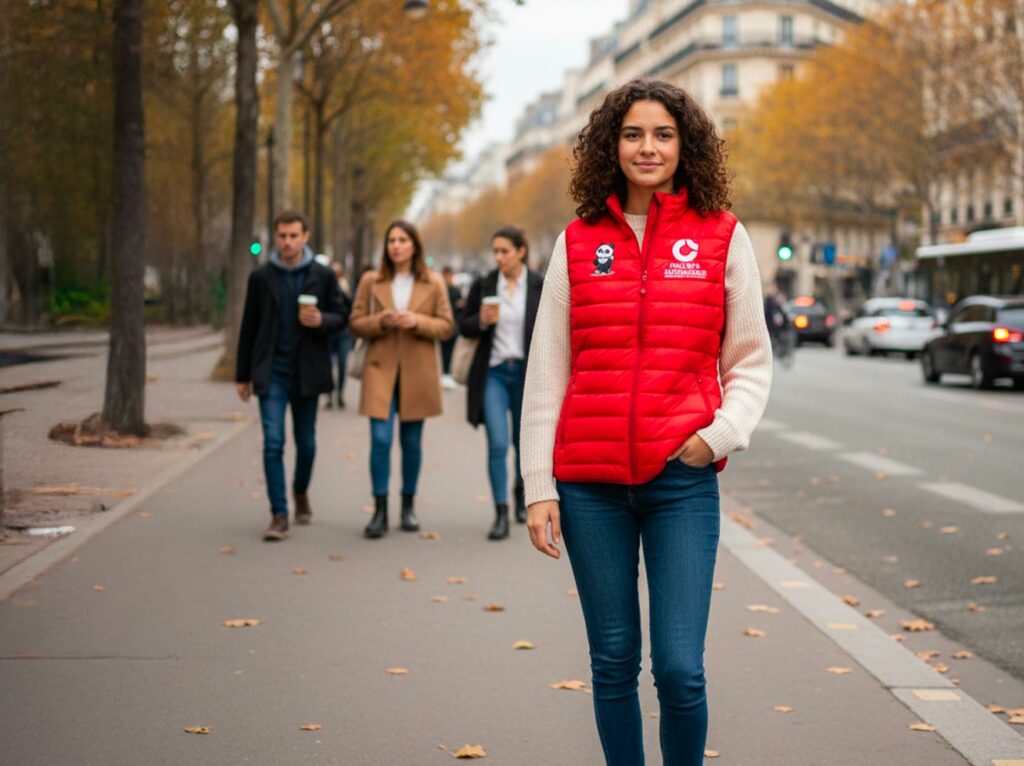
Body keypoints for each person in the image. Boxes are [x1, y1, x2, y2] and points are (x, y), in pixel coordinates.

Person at [521, 79, 772, 765]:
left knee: (680, 670)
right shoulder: (578, 242)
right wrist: (539, 487)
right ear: (611, 144)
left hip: (681, 483)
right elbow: (547, 370)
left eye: (663, 133)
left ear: (685, 145)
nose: (648, 147)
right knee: (612, 661)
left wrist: (717, 436)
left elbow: (750, 359)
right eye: (633, 133)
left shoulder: (722, 235)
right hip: (589, 487)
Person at [236, 211, 349, 541]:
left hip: (308, 372)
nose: (287, 242)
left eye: (293, 235)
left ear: (305, 237)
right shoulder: (261, 277)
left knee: (307, 444)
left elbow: (342, 315)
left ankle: (300, 491)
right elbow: (248, 327)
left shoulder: (322, 275)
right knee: (273, 443)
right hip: (272, 373)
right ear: (276, 237)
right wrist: (242, 374)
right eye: (282, 236)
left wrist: (322, 320)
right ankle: (279, 514)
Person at [348, 220, 454, 538]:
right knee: (380, 440)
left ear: (414, 246)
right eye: (391, 240)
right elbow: (354, 323)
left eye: (402, 240)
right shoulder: (371, 280)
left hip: (417, 372)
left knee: (411, 443)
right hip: (380, 369)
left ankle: (408, 507)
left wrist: (416, 321)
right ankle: (379, 510)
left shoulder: (433, 282)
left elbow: (447, 326)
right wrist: (380, 320)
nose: (395, 245)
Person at [459, 226, 543, 540]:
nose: (499, 257)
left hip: (526, 374)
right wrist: (480, 321)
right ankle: (500, 512)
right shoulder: (484, 284)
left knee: (524, 444)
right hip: (493, 373)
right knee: (497, 443)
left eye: (504, 251)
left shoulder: (538, 284)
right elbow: (463, 326)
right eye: (495, 251)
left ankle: (522, 496)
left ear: (521, 251)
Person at [325, 260, 354, 409]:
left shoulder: (347, 287)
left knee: (342, 365)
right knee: (328, 365)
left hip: (344, 334)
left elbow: (352, 308)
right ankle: (329, 395)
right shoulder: (324, 286)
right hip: (328, 334)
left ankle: (340, 394)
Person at [440, 266, 464, 390]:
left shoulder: (455, 291)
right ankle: (444, 373)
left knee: (451, 350)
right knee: (443, 351)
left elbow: (461, 309)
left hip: (454, 326)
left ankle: (449, 374)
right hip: (443, 326)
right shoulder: (441, 291)